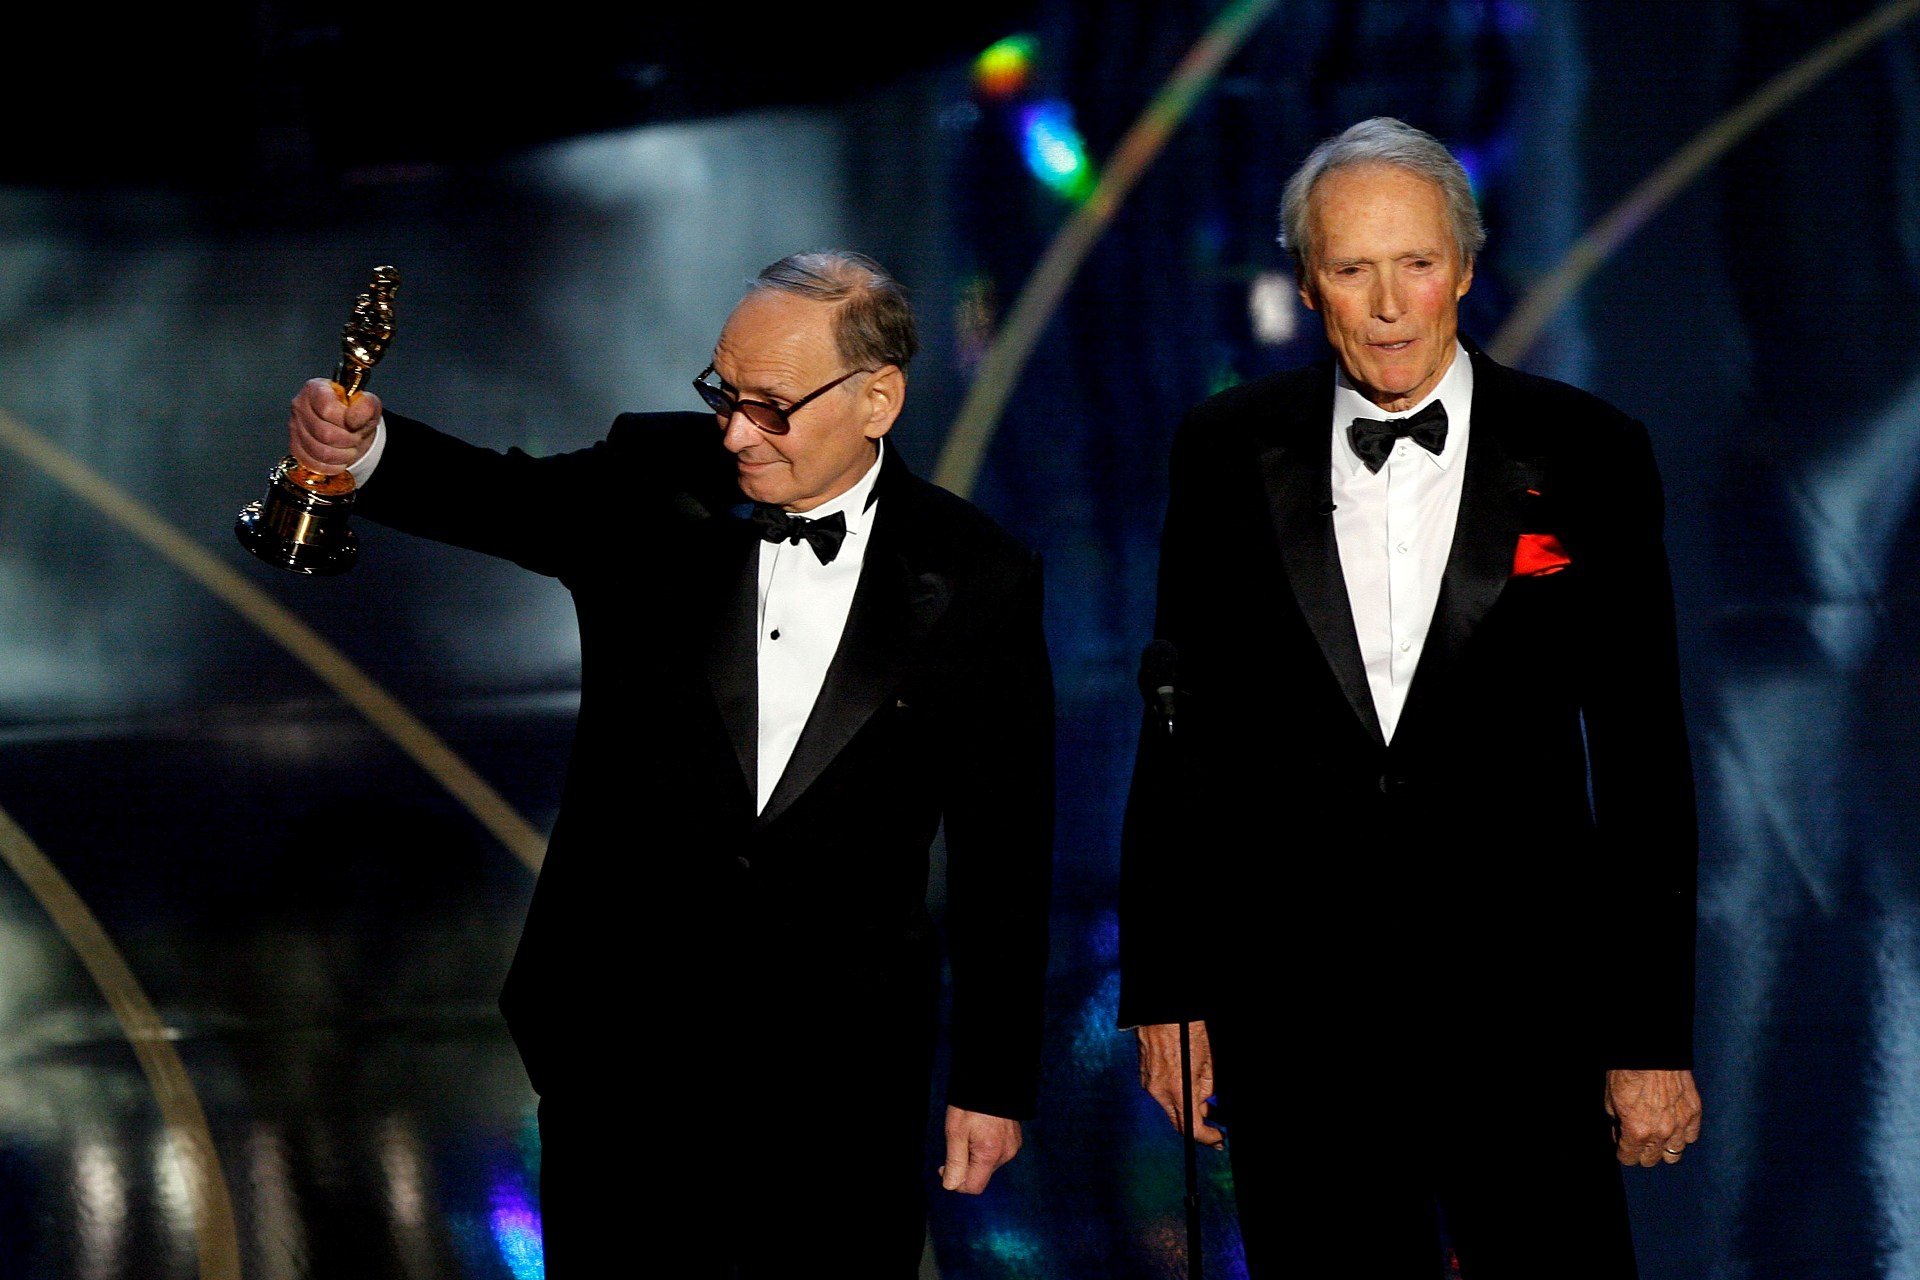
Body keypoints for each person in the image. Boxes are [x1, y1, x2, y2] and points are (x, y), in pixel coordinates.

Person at [285, 250, 1054, 1276]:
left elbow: (1007, 840)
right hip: (622, 1057)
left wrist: (992, 1078)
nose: (736, 430)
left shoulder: (979, 575)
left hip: (840, 1079)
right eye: (723, 395)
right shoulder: (656, 482)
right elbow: (500, 498)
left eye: (771, 407)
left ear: (878, 399)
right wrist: (367, 449)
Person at [1117, 118, 1701, 1277]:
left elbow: (1641, 753)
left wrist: (1646, 1035)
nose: (1389, 304)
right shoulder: (1224, 448)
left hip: (1526, 1008)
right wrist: (1169, 985)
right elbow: (1181, 725)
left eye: (1416, 264)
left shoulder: (1589, 450)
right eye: (1351, 269)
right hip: (1298, 1007)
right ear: (1305, 281)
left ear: (1466, 268)